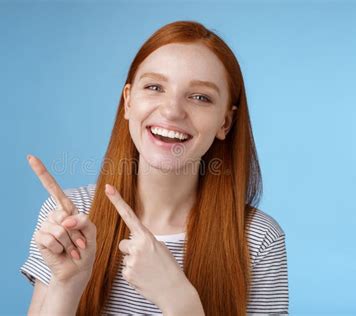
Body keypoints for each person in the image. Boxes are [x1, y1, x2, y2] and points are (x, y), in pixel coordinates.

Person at [20, 20, 289, 315]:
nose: (172, 110)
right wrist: (66, 285)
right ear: (128, 102)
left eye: (200, 97)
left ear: (224, 122)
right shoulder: (72, 217)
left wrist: (179, 299)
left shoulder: (258, 239)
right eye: (154, 87)